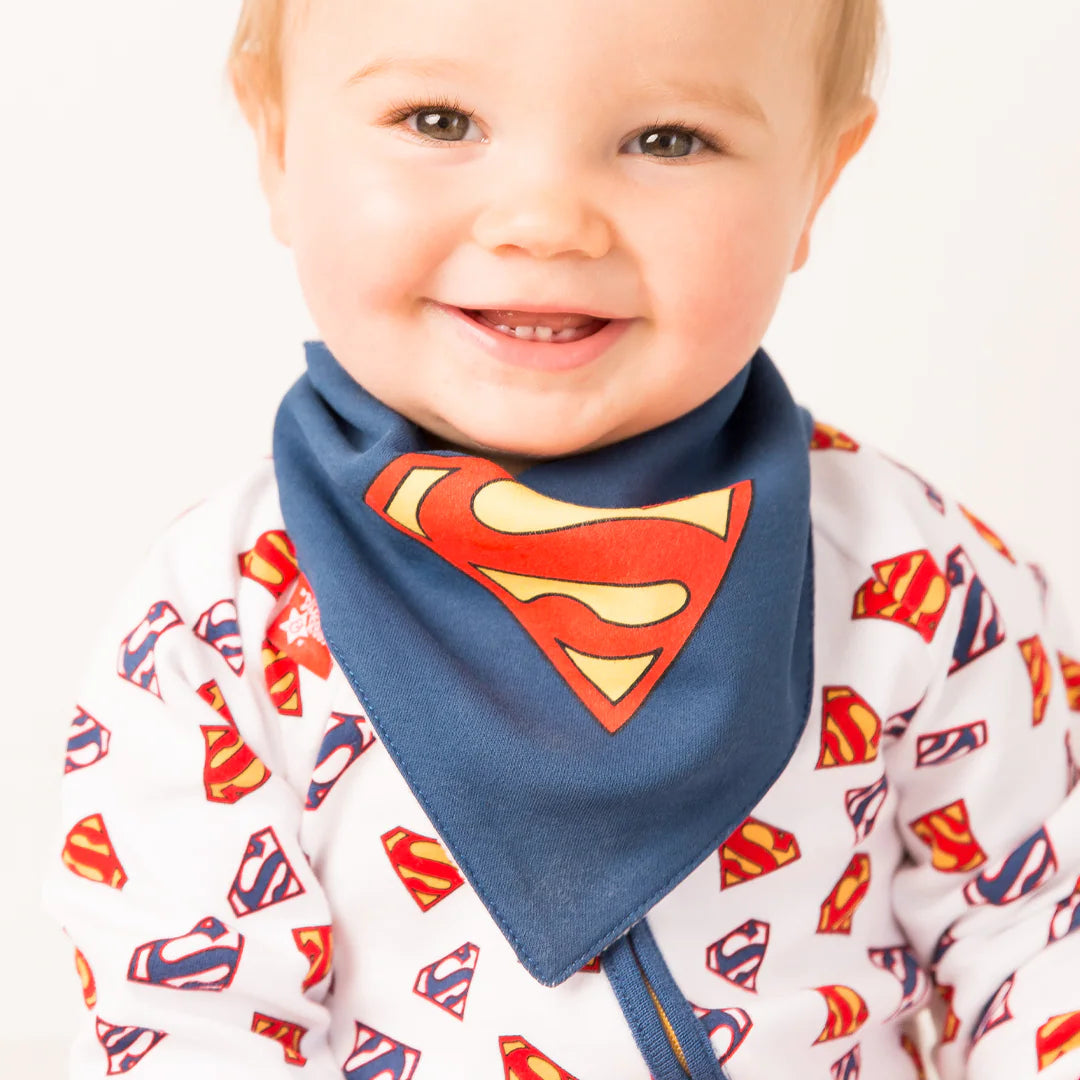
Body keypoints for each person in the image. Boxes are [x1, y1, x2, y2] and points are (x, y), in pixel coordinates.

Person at [44, 0, 1080, 1077]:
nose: (544, 220)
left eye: (669, 140)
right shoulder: (225, 615)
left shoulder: (907, 577)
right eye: (439, 120)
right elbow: (187, 1020)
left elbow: (1041, 934)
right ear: (278, 147)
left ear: (818, 178)